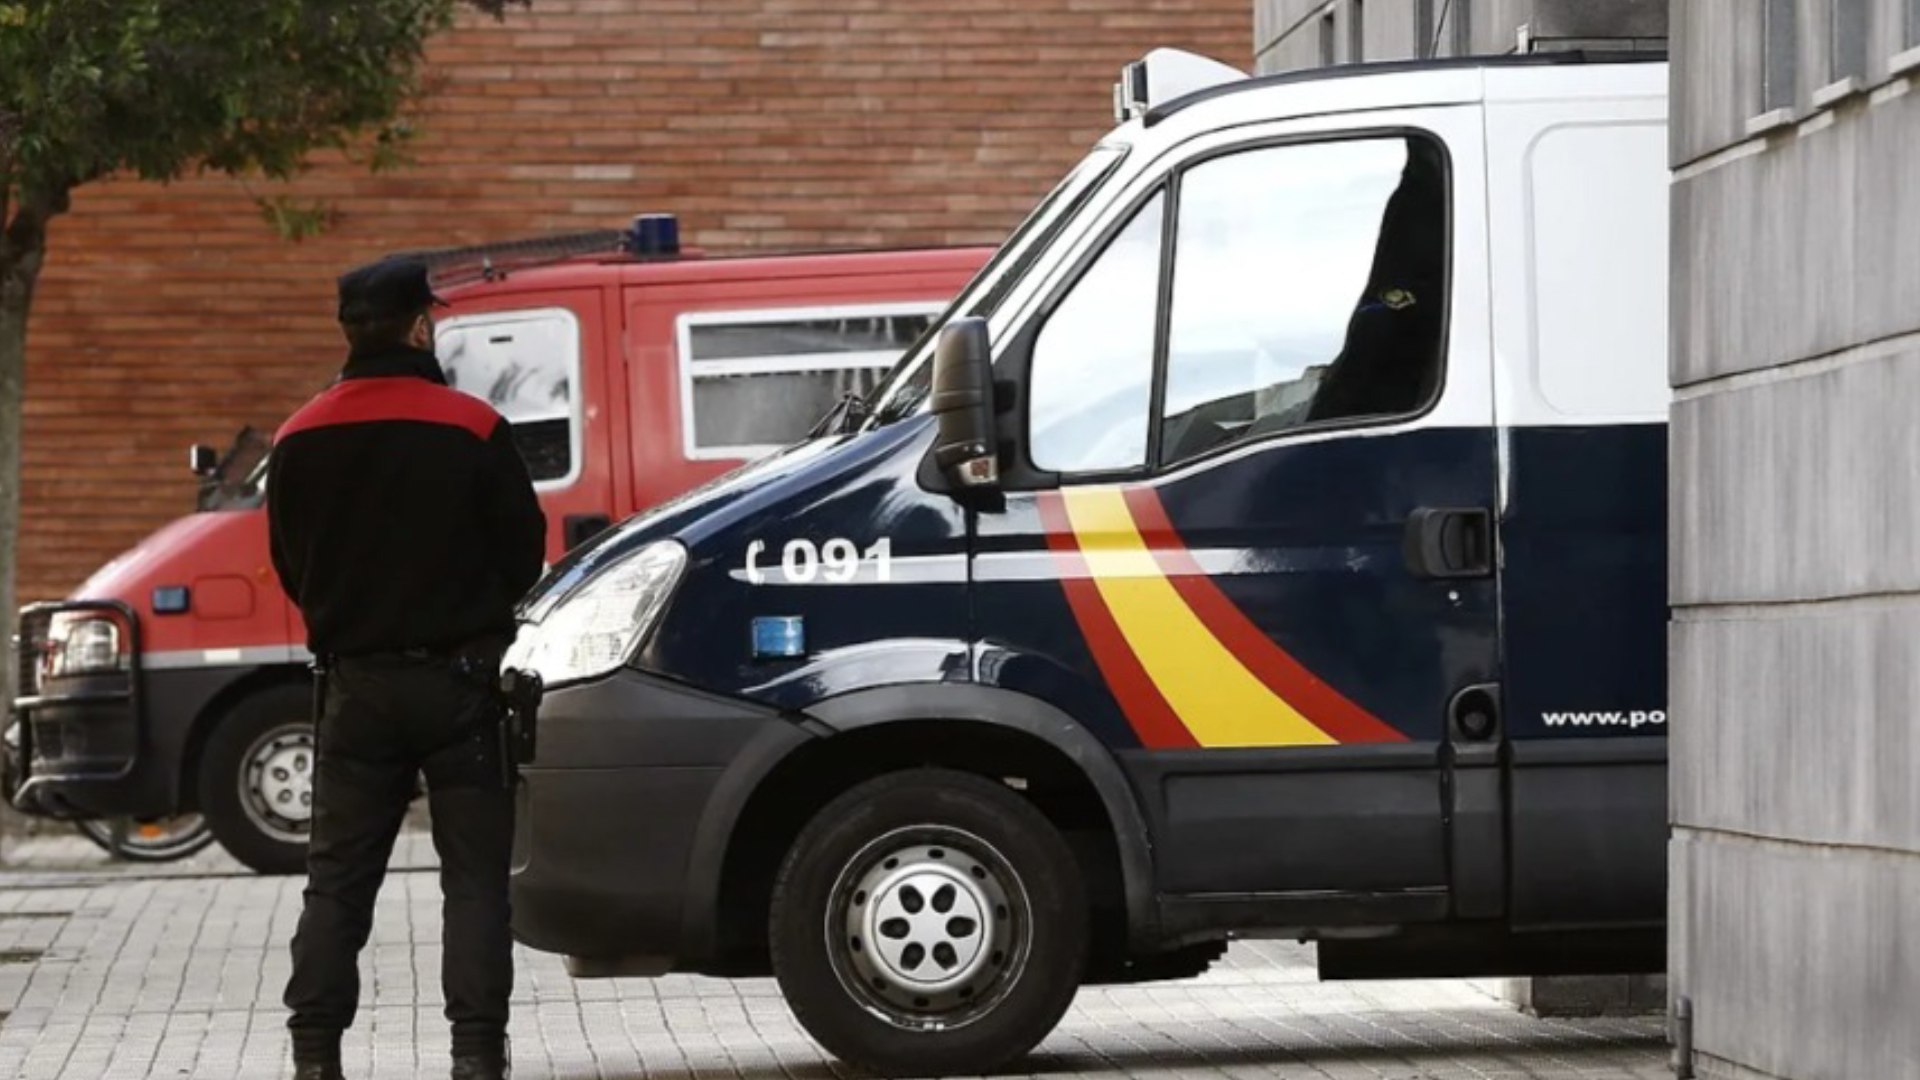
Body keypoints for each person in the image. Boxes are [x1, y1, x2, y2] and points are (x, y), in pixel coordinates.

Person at [268, 257, 547, 1080]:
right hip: (461, 686)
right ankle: (474, 1058)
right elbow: (523, 551)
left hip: (355, 690)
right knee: (473, 885)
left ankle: (315, 1057)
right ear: (420, 325)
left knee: (338, 887)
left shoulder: (298, 437)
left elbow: (290, 565)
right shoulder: (471, 426)